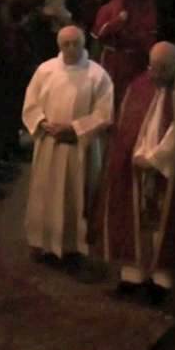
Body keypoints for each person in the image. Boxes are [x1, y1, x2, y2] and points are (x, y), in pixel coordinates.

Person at [99, 42, 175, 303]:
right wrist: (134, 154)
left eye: (162, 69)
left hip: (167, 173)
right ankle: (134, 275)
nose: (155, 74)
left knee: (162, 226)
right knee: (137, 223)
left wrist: (152, 160)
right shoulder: (139, 86)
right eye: (152, 68)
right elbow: (129, 125)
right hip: (138, 170)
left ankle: (160, 280)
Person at [23, 25, 114, 261]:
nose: (72, 48)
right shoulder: (45, 71)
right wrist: (42, 123)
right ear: (59, 45)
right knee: (45, 194)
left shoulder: (97, 75)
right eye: (66, 44)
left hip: (79, 147)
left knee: (75, 196)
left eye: (76, 43)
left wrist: (74, 129)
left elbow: (104, 113)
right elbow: (31, 103)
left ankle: (74, 245)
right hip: (49, 144)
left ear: (84, 44)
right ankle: (42, 241)